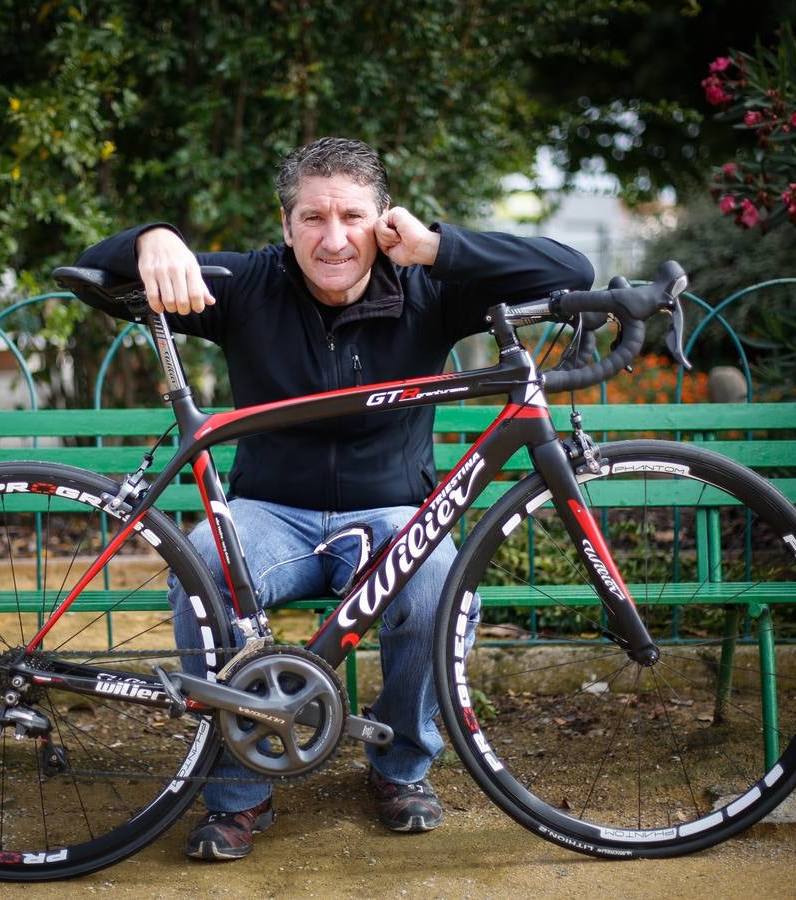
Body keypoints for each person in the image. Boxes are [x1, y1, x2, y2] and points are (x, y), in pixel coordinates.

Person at [75, 137, 593, 861]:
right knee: (203, 565)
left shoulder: (428, 288)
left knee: (438, 579)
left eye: (353, 216)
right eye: (313, 218)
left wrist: (437, 249)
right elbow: (88, 276)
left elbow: (574, 270)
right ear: (286, 226)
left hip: (389, 514)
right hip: (267, 515)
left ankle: (401, 768)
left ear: (383, 221)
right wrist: (151, 239)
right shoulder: (251, 281)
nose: (334, 237)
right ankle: (235, 792)